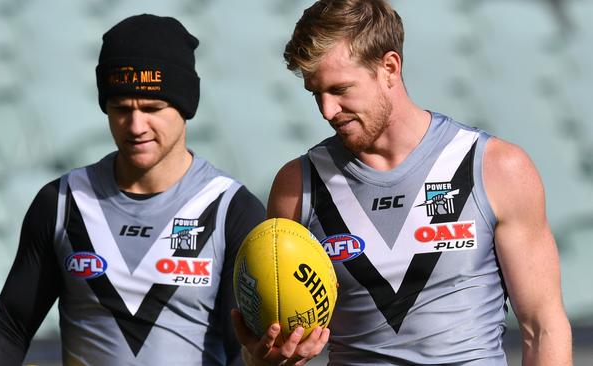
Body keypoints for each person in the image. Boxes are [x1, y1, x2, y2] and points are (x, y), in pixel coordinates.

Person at [233, 0, 573, 365]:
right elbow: (274, 348)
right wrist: (268, 358)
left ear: (389, 68)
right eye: (317, 94)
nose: (327, 111)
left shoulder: (496, 167)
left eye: (340, 89)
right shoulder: (297, 185)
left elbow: (543, 327)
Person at [0, 14, 265, 366]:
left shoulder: (232, 209)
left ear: (185, 107)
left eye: (152, 108)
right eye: (121, 109)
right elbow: (9, 327)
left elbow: (242, 350)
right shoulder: (63, 202)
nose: (136, 126)